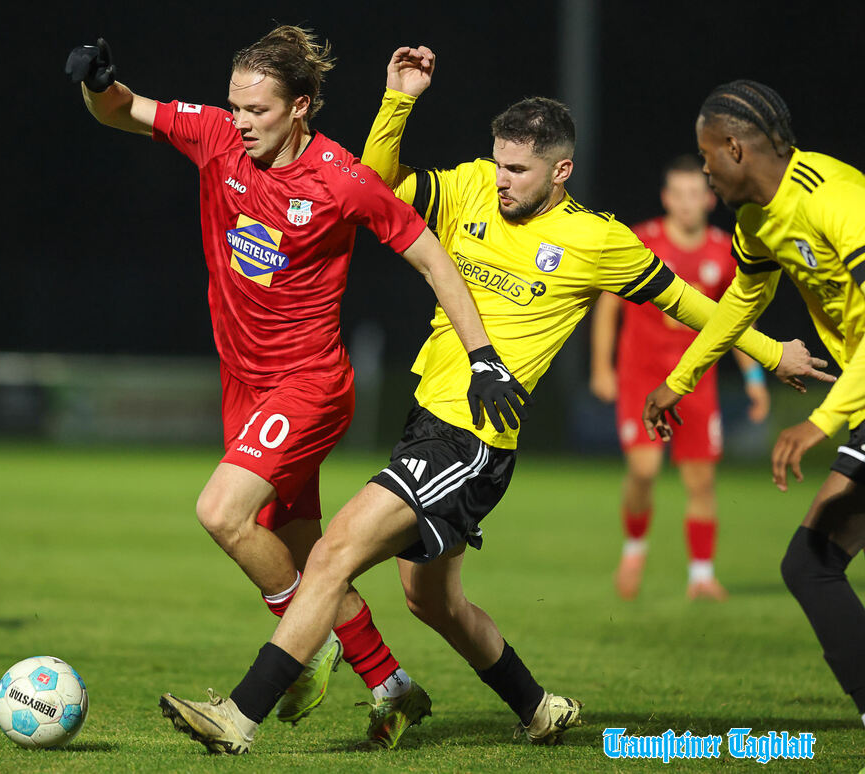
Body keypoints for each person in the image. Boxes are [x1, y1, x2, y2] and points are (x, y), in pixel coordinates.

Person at [152, 48, 832, 755]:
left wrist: (771, 351)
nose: (501, 180)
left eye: (519, 169)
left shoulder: (599, 241)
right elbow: (371, 187)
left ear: (561, 171)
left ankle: (240, 716)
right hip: (429, 419)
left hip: (470, 438)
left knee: (331, 556)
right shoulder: (472, 188)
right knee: (432, 602)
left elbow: (693, 304)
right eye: (499, 162)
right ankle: (538, 708)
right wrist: (399, 101)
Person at [65, 27, 526, 746]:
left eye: (258, 110)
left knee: (222, 513)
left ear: (301, 107)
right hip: (244, 387)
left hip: (309, 385)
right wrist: (97, 83)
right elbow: (122, 110)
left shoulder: (341, 179)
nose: (241, 121)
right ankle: (393, 687)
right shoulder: (215, 136)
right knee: (308, 557)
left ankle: (301, 643)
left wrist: (483, 357)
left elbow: (435, 259)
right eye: (236, 106)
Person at [643, 79, 865, 726]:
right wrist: (680, 381)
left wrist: (819, 423)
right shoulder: (756, 219)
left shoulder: (839, 203)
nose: (704, 169)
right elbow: (745, 299)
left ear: (735, 148)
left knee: (811, 563)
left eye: (707, 154)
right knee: (812, 565)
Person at [591, 155, 771, 601]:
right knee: (644, 469)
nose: (688, 203)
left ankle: (702, 576)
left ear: (710, 199)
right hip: (642, 377)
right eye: (679, 194)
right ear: (666, 198)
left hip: (695, 381)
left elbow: (734, 323)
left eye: (696, 193)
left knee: (701, 481)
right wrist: (601, 367)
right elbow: (608, 306)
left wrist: (754, 379)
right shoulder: (641, 241)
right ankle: (634, 550)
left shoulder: (723, 251)